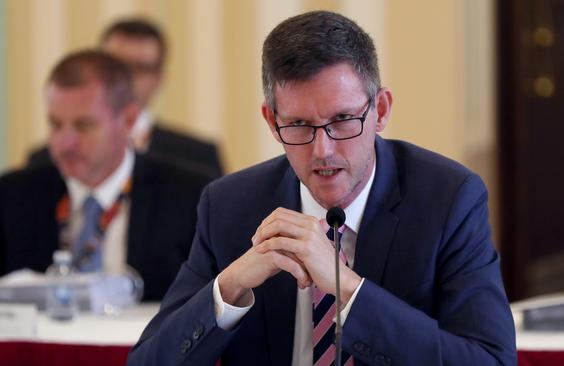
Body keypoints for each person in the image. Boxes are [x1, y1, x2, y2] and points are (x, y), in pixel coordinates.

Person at [128, 10, 516, 365]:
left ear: (380, 110)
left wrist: (348, 289)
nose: (322, 150)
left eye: (344, 119)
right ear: (271, 120)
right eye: (298, 125)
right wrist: (230, 286)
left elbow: (490, 361)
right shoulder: (229, 206)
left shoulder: (448, 200)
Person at [0, 50, 214, 301]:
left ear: (128, 120)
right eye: (55, 124)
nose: (65, 143)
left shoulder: (190, 196)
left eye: (84, 126)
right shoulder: (12, 196)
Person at [28, 17, 224, 176]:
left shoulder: (198, 159)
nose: (127, 77)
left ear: (159, 79)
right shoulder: (45, 161)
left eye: (141, 68)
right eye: (115, 65)